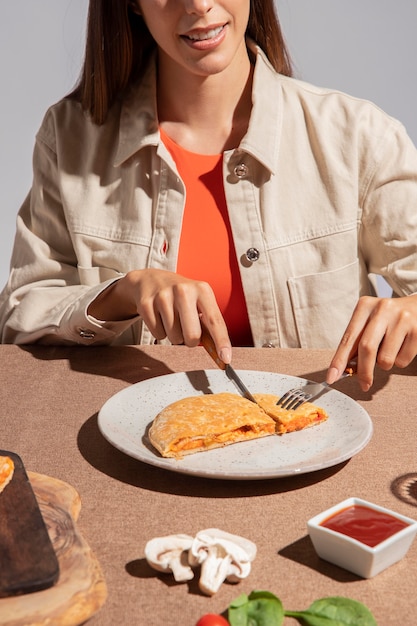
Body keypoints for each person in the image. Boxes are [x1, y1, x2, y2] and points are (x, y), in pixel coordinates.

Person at [0, 0, 416, 393]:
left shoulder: (358, 135)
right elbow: (18, 319)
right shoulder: (70, 137)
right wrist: (122, 294)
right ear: (130, 2)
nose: (198, 5)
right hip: (143, 452)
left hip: (322, 444)